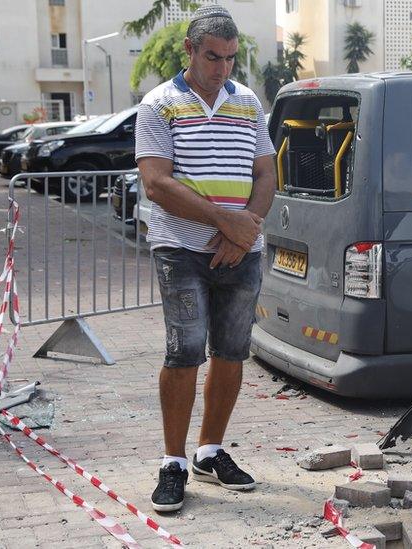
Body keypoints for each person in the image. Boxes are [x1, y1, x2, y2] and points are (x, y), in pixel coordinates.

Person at [135, 4, 276, 513]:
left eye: (231, 59)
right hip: (181, 249)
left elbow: (266, 175)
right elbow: (156, 183)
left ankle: (209, 452)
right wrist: (226, 222)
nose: (222, 68)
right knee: (185, 350)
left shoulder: (249, 103)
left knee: (232, 351)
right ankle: (172, 462)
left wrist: (246, 230)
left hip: (242, 250)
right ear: (190, 50)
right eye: (213, 57)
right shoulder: (159, 104)